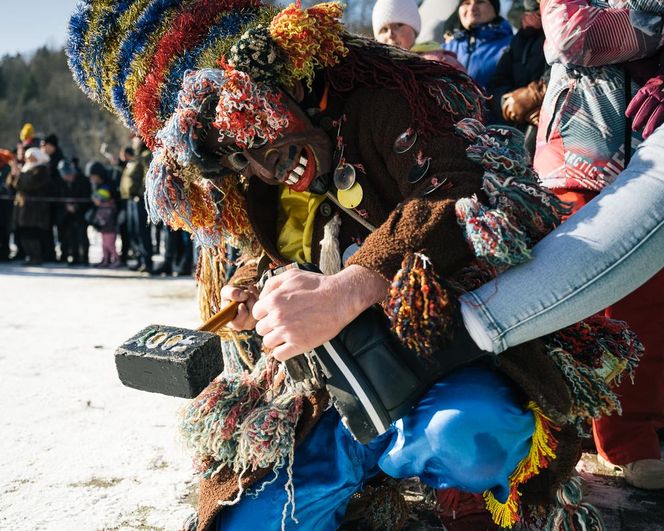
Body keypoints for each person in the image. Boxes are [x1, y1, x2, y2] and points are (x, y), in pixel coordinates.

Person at [68, 1, 638, 529]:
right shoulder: (254, 170)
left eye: (244, 132)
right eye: (227, 154)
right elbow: (262, 249)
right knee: (247, 522)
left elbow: (467, 194)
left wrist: (349, 288)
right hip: (338, 390)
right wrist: (250, 291)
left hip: (447, 355)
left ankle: (431, 476)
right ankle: (363, 479)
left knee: (472, 436)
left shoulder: (385, 94)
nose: (260, 167)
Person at [489, 0, 547, 155]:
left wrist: (534, 97)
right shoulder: (521, 37)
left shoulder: (566, 30)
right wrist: (506, 102)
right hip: (515, 130)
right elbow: (496, 82)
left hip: (553, 128)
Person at [442, 0, 513, 93]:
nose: (472, 8)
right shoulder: (443, 50)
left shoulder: (513, 45)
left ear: (494, 9)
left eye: (480, 2)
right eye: (466, 3)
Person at [372, 0, 466, 69]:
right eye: (384, 30)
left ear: (413, 29)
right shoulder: (373, 69)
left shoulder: (440, 61)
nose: (390, 34)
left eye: (398, 25)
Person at [9, 147, 51, 265]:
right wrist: (14, 173)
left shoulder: (42, 169)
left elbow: (29, 185)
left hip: (34, 210)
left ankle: (36, 257)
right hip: (23, 209)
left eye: (30, 157)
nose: (28, 159)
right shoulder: (26, 169)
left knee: (32, 233)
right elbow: (14, 186)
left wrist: (19, 174)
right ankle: (30, 256)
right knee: (23, 233)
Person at [119, 144, 153, 273]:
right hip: (130, 200)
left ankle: (147, 262)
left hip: (138, 199)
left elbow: (145, 178)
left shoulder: (141, 160)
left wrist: (140, 193)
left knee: (142, 232)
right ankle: (140, 260)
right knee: (133, 231)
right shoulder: (131, 163)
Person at [56, 159, 91, 265]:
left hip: (81, 213)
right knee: (70, 236)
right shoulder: (61, 182)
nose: (67, 178)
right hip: (67, 214)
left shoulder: (83, 180)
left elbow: (86, 197)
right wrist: (66, 206)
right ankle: (74, 257)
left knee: (82, 236)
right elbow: (59, 196)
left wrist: (76, 207)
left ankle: (84, 257)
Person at [91, 186, 120, 268]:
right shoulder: (102, 207)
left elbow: (104, 219)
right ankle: (105, 260)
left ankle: (117, 259)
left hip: (110, 230)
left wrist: (98, 222)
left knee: (110, 246)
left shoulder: (108, 207)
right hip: (104, 230)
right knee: (104, 246)